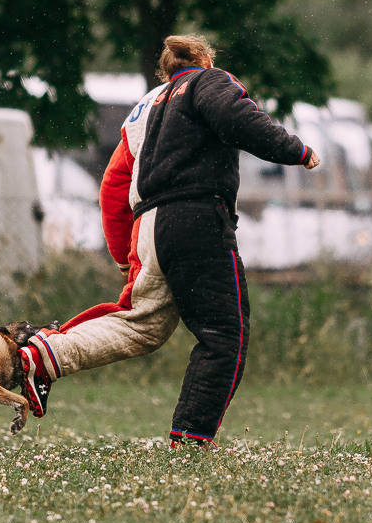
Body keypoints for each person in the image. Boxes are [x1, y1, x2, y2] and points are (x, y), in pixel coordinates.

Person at [16, 34, 321, 446]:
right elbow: (235, 117)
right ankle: (191, 439)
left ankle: (43, 357)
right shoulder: (209, 81)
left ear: (165, 72)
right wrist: (295, 150)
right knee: (224, 336)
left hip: (149, 228)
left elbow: (113, 186)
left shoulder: (142, 111)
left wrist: (127, 256)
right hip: (197, 217)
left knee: (142, 324)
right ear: (205, 60)